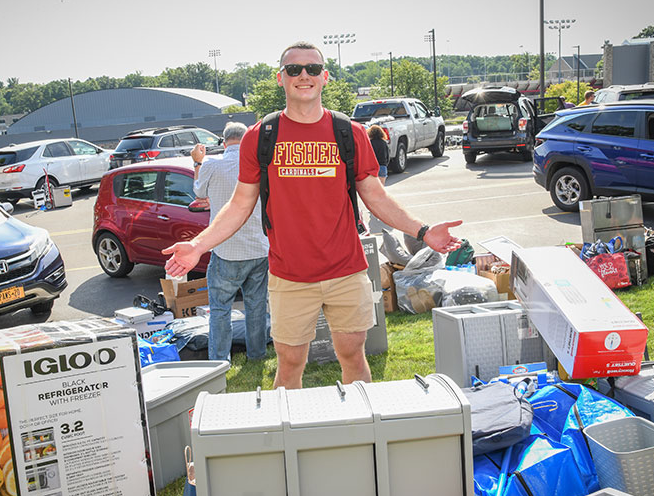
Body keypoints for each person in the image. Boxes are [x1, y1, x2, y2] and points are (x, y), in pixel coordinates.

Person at [163, 40, 463, 389]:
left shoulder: (348, 132)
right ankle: (292, 439)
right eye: (294, 69)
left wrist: (423, 231)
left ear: (325, 77)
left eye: (312, 69)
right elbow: (239, 205)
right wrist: (199, 246)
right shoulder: (262, 137)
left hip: (346, 271)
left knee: (353, 356)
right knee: (290, 365)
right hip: (289, 276)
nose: (303, 75)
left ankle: (358, 432)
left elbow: (375, 196)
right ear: (281, 78)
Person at [191, 122, 269, 362]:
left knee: (220, 308)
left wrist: (197, 162)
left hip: (226, 249)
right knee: (256, 306)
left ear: (224, 143)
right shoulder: (259, 165)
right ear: (246, 140)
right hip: (259, 246)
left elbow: (198, 192)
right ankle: (256, 355)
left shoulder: (213, 165)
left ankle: (219, 358)